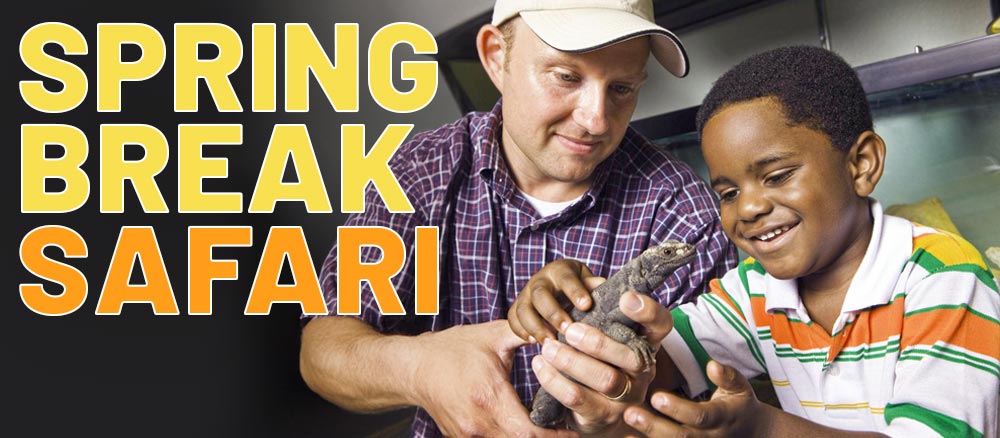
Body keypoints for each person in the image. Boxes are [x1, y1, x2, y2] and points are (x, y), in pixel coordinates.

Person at [298, 0, 738, 436]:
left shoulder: (685, 214)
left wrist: (621, 412)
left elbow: (710, 403)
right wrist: (420, 366)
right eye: (566, 77)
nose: (596, 119)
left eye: (621, 89)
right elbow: (322, 351)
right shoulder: (417, 171)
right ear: (496, 57)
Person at [511, 45, 1000, 436]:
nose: (746, 208)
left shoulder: (945, 278)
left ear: (862, 163)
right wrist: (585, 322)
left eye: (778, 174)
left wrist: (765, 428)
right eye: (726, 192)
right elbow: (659, 368)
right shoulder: (755, 288)